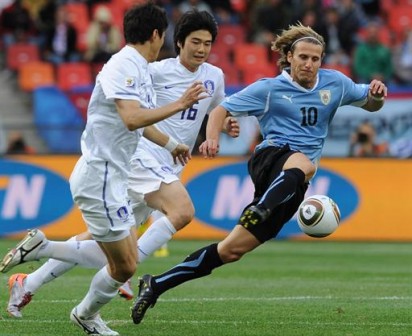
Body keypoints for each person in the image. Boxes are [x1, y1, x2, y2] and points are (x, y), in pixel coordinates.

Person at [130, 22, 387, 325]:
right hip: (270, 158)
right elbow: (220, 110)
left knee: (231, 250)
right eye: (303, 57)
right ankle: (260, 207)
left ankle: (156, 284)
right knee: (306, 165)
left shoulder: (335, 84)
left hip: (290, 183)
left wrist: (378, 95)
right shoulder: (270, 89)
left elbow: (369, 103)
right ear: (289, 57)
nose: (309, 64)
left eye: (315, 59)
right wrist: (212, 138)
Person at [3, 8, 238, 321]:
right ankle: (124, 273)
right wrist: (175, 112)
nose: (201, 49)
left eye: (208, 44)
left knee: (102, 243)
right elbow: (131, 115)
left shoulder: (214, 76)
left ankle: (29, 282)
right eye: (195, 41)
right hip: (140, 157)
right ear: (177, 42)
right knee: (181, 212)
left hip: (168, 162)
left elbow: (216, 110)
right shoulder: (152, 69)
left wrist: (217, 132)